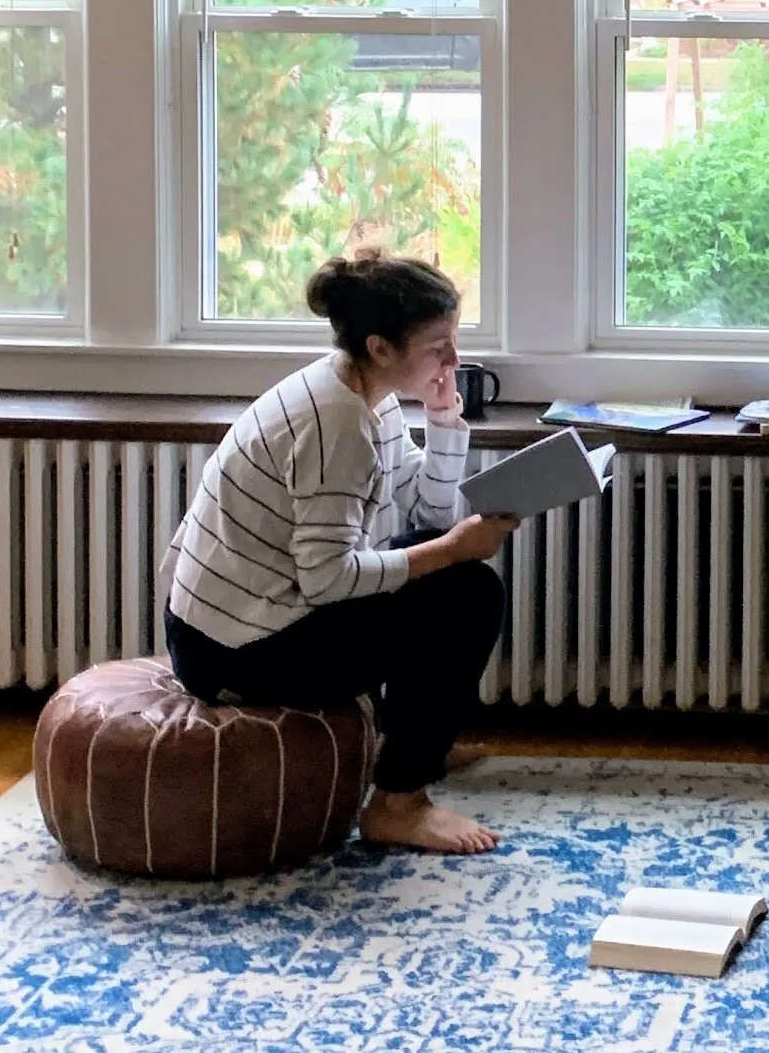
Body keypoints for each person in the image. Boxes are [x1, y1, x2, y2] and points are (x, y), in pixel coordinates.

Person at [162, 252, 518, 856]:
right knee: (470, 595)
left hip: (263, 615)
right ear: (382, 347)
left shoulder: (363, 394)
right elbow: (327, 580)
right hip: (231, 650)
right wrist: (453, 548)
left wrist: (443, 419)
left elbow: (426, 514)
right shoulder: (336, 423)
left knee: (451, 570)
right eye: (438, 346)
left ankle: (412, 741)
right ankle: (398, 803)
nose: (452, 361)